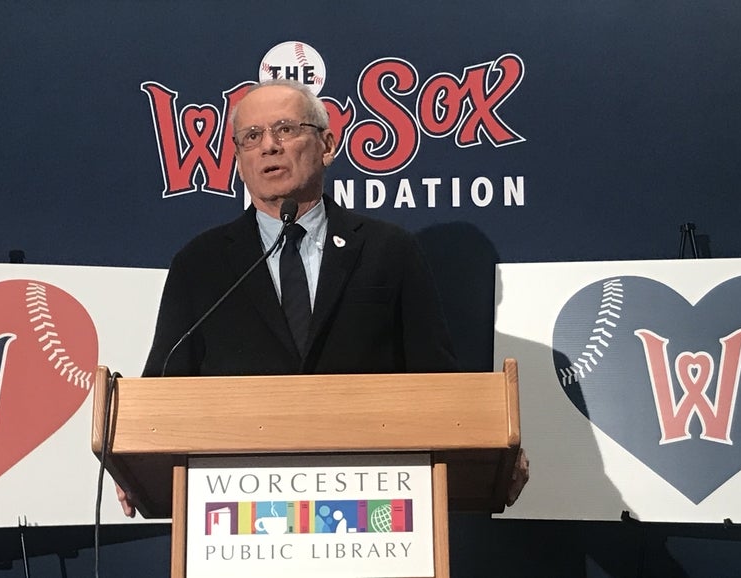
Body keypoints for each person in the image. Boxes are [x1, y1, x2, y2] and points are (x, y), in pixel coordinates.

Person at [117, 78, 527, 515]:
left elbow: (437, 380)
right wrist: (141, 458)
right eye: (251, 137)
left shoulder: (389, 250)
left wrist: (492, 444)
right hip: (239, 509)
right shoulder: (200, 262)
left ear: (327, 144)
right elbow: (166, 384)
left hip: (374, 504)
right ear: (239, 161)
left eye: (285, 129)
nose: (269, 147)